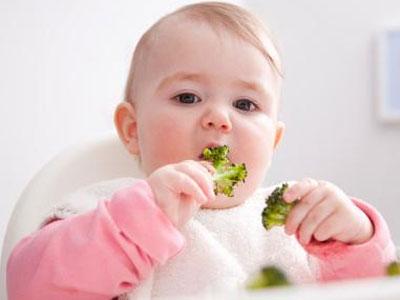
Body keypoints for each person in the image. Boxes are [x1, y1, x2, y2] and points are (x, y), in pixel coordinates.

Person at [6, 2, 397, 299]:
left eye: (245, 105)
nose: (219, 119)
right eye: (188, 97)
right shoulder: (108, 210)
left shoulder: (295, 226)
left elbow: (375, 289)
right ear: (132, 130)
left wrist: (353, 241)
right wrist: (139, 221)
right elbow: (29, 286)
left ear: (273, 143)